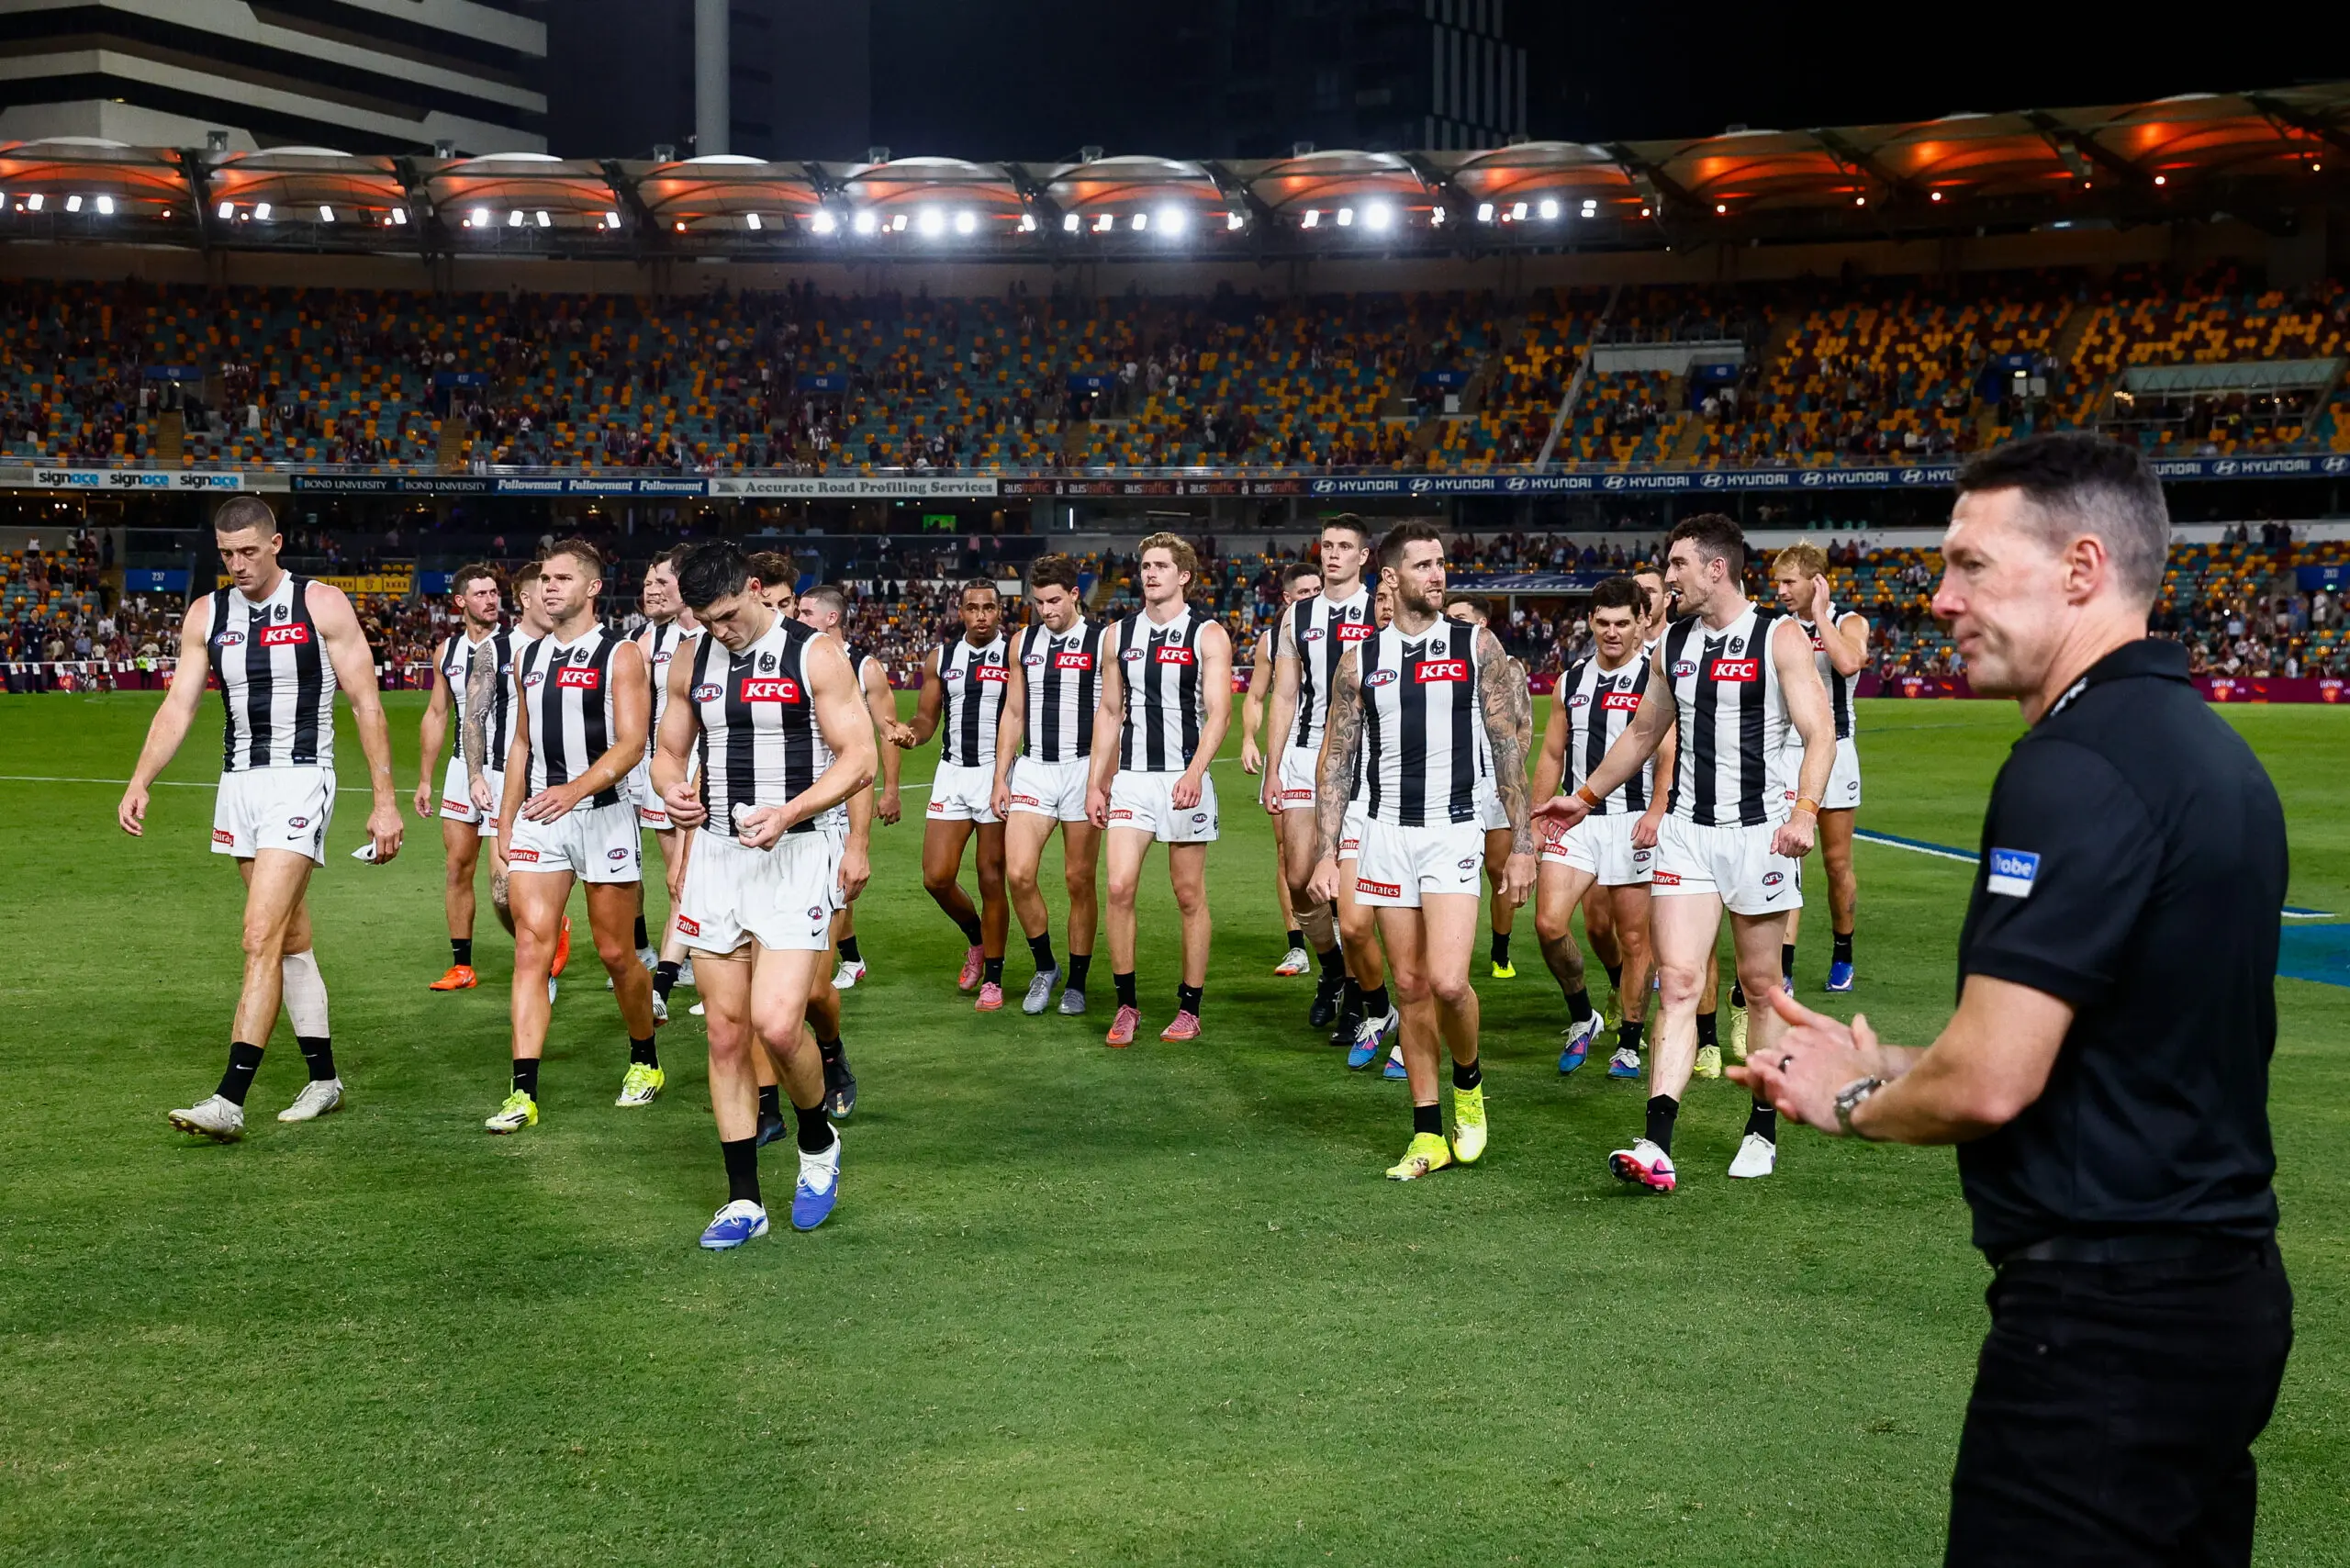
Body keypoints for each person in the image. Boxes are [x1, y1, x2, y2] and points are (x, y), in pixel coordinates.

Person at [1739, 433, 2292, 1566]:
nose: (1939, 598)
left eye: (1972, 566)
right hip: (2219, 1294)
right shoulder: (2213, 754)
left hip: (2103, 1323)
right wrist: (1900, 1059)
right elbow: (2116, 1043)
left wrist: (1854, 1101)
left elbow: (1994, 1080)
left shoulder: (2070, 763)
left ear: (2081, 569)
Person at [1539, 513, 1833, 1192]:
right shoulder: (1673, 643)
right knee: (1677, 983)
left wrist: (1805, 815)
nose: (1667, 578)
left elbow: (1819, 733)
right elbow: (1643, 735)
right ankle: (1657, 1140)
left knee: (1760, 989)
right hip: (1687, 837)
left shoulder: (1778, 637)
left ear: (1715, 568)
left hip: (1760, 833)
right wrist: (1580, 798)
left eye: (1676, 565)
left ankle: (1762, 1124)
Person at [118, 495, 403, 1141]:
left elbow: (366, 705)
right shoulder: (207, 613)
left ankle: (229, 1098)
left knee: (258, 937)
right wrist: (141, 779)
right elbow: (178, 708)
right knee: (291, 939)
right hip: (239, 785)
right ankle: (324, 1080)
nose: (238, 564)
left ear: (276, 544)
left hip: (302, 780)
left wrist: (384, 801)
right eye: (226, 554)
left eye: (249, 551)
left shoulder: (320, 604)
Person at [653, 543, 876, 1249]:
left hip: (796, 854)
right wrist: (672, 791)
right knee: (725, 1033)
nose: (720, 631)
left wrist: (788, 812)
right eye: (706, 621)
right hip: (718, 857)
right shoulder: (692, 659)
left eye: (726, 616)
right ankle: (743, 1201)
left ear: (754, 589)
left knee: (778, 1026)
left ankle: (817, 1140)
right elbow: (666, 751)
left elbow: (861, 757)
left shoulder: (813, 655)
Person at [1308, 521, 1535, 1179]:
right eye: (1425, 566)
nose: (1439, 575)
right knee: (1407, 986)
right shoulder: (1361, 659)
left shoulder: (1475, 644)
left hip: (1452, 831)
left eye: (1443, 563)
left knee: (1447, 982)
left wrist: (1522, 847)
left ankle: (1469, 1081)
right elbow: (1339, 763)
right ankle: (1428, 1131)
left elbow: (1507, 748)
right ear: (1392, 578)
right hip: (1383, 834)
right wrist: (1329, 851)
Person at [482, 540, 662, 1132]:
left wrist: (577, 790)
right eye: (543, 580)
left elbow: (633, 743)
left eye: (562, 579)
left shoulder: (622, 655)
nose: (548, 588)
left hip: (604, 813)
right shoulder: (527, 657)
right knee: (532, 948)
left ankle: (645, 1058)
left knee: (615, 953)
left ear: (590, 589)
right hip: (541, 816)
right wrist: (507, 820)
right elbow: (521, 744)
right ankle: (521, 1091)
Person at [1087, 532, 1234, 1045]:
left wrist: (1194, 773)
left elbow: (1220, 714)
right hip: (1132, 780)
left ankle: (1189, 1007)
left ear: (1184, 575)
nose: (1149, 574)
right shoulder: (1118, 635)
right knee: (1119, 887)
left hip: (1181, 778)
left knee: (1188, 894)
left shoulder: (1208, 634)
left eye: (1161, 566)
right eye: (1145, 565)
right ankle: (1126, 1005)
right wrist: (1096, 783)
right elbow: (1109, 712)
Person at [1530, 576, 1671, 1077]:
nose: (1612, 633)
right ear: (1591, 622)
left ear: (1642, 624)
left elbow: (1667, 752)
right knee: (1549, 925)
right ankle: (1582, 1015)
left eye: (1623, 624)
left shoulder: (1656, 678)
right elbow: (1551, 752)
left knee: (1636, 939)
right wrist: (1539, 811)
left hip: (1632, 820)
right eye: (1603, 623)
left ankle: (1629, 1042)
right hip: (1577, 821)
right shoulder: (1571, 680)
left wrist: (1657, 810)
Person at [1263, 518, 1376, 1037]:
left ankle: (1356, 995)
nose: (1333, 555)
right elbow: (1285, 694)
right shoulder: (1296, 616)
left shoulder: (1379, 608)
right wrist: (1272, 766)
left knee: (1348, 891)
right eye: (1327, 545)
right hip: (1306, 753)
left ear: (1364, 556)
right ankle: (1331, 970)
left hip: (1366, 759)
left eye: (1344, 547)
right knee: (1299, 879)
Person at [990, 554, 1109, 1015]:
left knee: (1079, 879)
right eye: (1038, 602)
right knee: (1018, 873)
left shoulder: (1103, 642)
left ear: (1075, 594)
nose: (1046, 610)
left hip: (1083, 768)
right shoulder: (1023, 642)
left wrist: (1103, 778)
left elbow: (1112, 712)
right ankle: (1046, 966)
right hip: (1036, 768)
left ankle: (1077, 981)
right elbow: (1014, 712)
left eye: (1055, 600)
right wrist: (1002, 777)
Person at [901, 579, 1012, 1007]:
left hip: (996, 772)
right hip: (951, 772)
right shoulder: (942, 658)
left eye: (988, 607)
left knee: (990, 877)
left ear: (999, 611)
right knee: (937, 877)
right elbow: (927, 718)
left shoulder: (1015, 653)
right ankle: (978, 940)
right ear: (959, 612)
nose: (980, 615)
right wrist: (911, 734)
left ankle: (995, 978)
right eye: (972, 608)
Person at [798, 581, 909, 994]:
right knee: (825, 887)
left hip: (848, 793)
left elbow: (888, 731)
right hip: (806, 790)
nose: (797, 618)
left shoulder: (865, 667)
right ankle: (851, 959)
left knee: (837, 885)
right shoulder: (798, 659)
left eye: (806, 613)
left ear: (833, 617)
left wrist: (892, 789)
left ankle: (817, 976)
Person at [1770, 542, 1870, 991]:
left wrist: (1822, 616)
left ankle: (1843, 952)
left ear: (1815, 581)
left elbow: (1849, 663)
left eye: (1789, 581)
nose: (1780, 591)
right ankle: (1784, 966)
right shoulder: (1776, 628)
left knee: (1835, 861)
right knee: (1788, 862)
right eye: (1777, 582)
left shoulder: (1850, 622)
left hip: (1838, 751)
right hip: (1788, 752)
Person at [416, 563, 509, 991]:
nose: (491, 600)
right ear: (460, 602)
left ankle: (545, 935)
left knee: (502, 884)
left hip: (506, 770)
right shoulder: (446, 652)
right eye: (481, 594)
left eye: (494, 592)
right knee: (457, 868)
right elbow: (437, 714)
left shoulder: (517, 647)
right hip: (460, 769)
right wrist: (424, 779)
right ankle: (462, 966)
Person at [1240, 561, 1322, 977]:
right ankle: (1297, 946)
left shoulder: (1342, 627)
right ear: (1288, 598)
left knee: (1334, 848)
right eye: (1303, 592)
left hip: (1333, 746)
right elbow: (1256, 696)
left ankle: (1335, 934)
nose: (1311, 597)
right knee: (1286, 851)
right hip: (1289, 747)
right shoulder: (1272, 640)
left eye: (1316, 589)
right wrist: (1250, 738)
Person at [632, 547, 701, 1017]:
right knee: (679, 876)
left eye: (662, 581)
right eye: (649, 582)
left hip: (718, 762)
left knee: (701, 872)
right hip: (667, 768)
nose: (653, 590)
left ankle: (685, 968)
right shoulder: (647, 640)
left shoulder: (719, 634)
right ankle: (679, 969)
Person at [1443, 594, 1524, 980]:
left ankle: (1500, 951)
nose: (1451, 623)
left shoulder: (1508, 667)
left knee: (1496, 869)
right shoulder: (1440, 662)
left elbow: (1522, 725)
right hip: (1452, 778)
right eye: (1448, 617)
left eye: (1460, 617)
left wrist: (1510, 771)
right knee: (1450, 868)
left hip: (1494, 780)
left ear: (1481, 624)